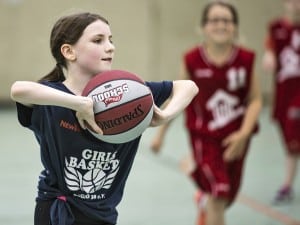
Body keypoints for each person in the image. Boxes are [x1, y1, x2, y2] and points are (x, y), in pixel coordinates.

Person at [10, 12, 198, 225]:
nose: (110, 47)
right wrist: (79, 103)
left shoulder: (130, 94)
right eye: (98, 40)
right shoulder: (51, 97)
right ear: (69, 51)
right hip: (56, 212)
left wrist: (164, 116)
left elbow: (188, 86)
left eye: (111, 40)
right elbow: (19, 90)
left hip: (103, 215)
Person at [151, 2, 262, 225]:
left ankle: (201, 194)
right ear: (203, 27)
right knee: (219, 194)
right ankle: (206, 195)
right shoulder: (192, 59)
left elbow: (255, 100)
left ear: (235, 27)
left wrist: (243, 134)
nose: (220, 25)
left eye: (226, 20)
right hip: (205, 137)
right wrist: (160, 134)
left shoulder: (246, 59)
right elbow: (178, 97)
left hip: (236, 137)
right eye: (214, 20)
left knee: (226, 196)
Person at [262, 0, 300, 203]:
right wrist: (268, 56)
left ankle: (287, 184)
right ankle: (288, 185)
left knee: (294, 133)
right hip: (284, 94)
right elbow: (269, 48)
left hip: (298, 97)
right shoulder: (276, 27)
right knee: (290, 142)